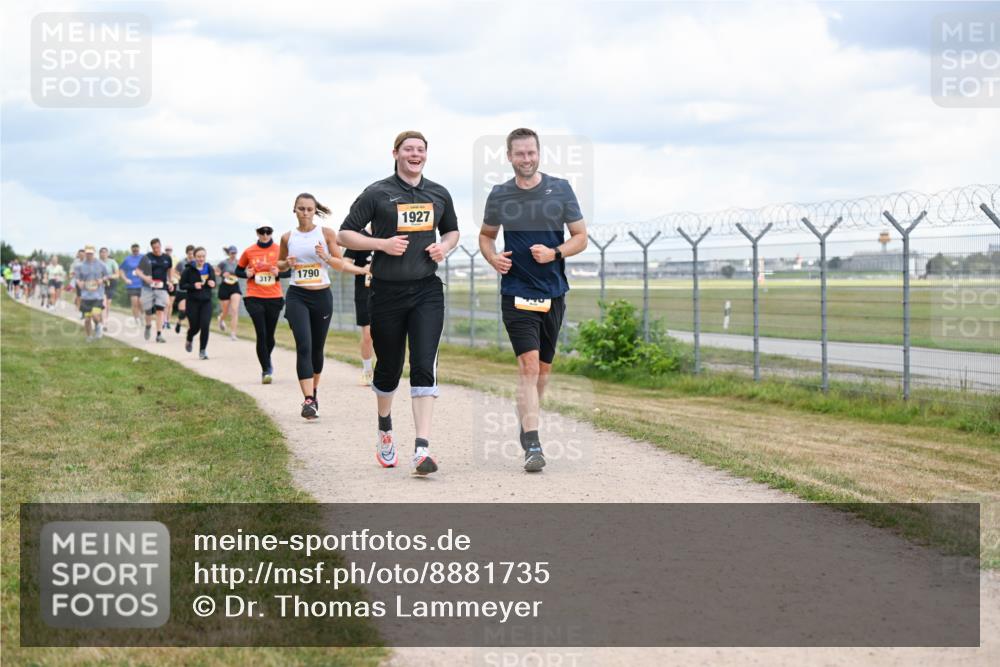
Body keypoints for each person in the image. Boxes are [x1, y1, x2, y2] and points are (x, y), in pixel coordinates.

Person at [340, 130, 460, 475]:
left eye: (420, 149)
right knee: (389, 367)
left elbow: (452, 231)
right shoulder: (377, 192)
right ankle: (385, 428)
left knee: (423, 364)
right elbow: (345, 234)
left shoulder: (438, 193)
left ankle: (422, 449)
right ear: (395, 153)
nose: (415, 154)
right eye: (408, 149)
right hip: (387, 292)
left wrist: (444, 247)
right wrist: (381, 244)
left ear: (426, 155)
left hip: (426, 291)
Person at [479, 128, 588, 472]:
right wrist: (493, 258)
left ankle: (527, 422)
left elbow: (581, 237)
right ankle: (534, 444)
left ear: (539, 154)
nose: (526, 159)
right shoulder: (500, 194)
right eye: (520, 154)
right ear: (509, 157)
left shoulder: (561, 189)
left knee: (542, 372)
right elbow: (486, 236)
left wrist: (554, 253)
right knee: (528, 366)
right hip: (516, 291)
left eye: (531, 153)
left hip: (553, 292)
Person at [278, 193, 363, 419]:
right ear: (294, 210)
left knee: (317, 349)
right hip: (297, 295)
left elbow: (340, 264)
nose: (305, 213)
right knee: (304, 346)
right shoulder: (287, 237)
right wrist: (286, 263)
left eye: (309, 209)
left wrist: (325, 256)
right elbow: (279, 264)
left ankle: (313, 393)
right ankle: (307, 400)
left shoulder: (326, 234)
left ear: (315, 211)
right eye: (301, 208)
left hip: (321, 296)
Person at [236, 225, 288, 384]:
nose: (265, 235)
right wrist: (246, 274)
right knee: (261, 334)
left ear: (272, 233)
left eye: (268, 232)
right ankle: (266, 370)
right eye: (262, 232)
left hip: (274, 297)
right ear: (257, 233)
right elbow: (238, 271)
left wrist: (278, 273)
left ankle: (266, 358)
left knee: (270, 336)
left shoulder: (280, 250)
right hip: (254, 297)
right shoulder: (249, 251)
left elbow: (289, 271)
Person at [343, 229, 375, 385]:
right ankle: (367, 370)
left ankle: (385, 371)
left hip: (389, 292)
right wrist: (362, 270)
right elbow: (345, 264)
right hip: (365, 292)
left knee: (387, 334)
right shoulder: (358, 237)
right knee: (368, 334)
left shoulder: (390, 232)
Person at [179, 247, 217, 359]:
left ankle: (202, 351)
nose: (201, 259)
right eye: (199, 256)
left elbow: (213, 281)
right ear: (194, 257)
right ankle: (189, 337)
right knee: (195, 327)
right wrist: (193, 286)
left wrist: (212, 283)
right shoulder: (188, 269)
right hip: (192, 302)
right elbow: (182, 285)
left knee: (205, 326)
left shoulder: (209, 267)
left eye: (203, 256)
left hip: (206, 302)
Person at [134, 238, 173, 343]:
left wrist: (170, 282)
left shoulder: (167, 258)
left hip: (161, 287)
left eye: (158, 247)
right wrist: (145, 278)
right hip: (148, 287)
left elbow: (170, 270)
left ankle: (159, 335)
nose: (156, 249)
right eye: (154, 248)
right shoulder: (147, 257)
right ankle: (148, 326)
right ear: (152, 248)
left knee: (160, 310)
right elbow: (137, 271)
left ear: (161, 246)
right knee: (149, 311)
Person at [74, 246, 110, 341]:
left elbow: (107, 276)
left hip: (98, 295)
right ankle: (89, 337)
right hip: (86, 296)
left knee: (95, 315)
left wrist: (102, 280)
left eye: (91, 253)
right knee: (87, 319)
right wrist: (79, 283)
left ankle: (98, 325)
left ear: (94, 253)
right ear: (85, 253)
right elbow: (77, 278)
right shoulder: (79, 266)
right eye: (87, 253)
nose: (89, 255)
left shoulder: (101, 264)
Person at [217, 245, 243, 340]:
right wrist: (222, 274)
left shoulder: (239, 262)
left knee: (234, 310)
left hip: (235, 286)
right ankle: (221, 319)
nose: (233, 255)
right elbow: (216, 271)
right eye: (232, 253)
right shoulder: (223, 263)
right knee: (225, 311)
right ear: (228, 253)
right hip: (224, 287)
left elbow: (243, 272)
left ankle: (233, 333)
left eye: (235, 253)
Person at [171, 245, 195, 334]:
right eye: (189, 254)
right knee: (183, 311)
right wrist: (181, 278)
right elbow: (174, 272)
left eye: (193, 253)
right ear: (186, 253)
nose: (191, 255)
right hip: (182, 290)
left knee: (191, 311)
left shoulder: (196, 263)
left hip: (192, 290)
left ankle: (190, 330)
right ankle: (179, 322)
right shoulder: (181, 263)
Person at [120, 243, 145, 323]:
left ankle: (142, 316)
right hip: (132, 284)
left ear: (139, 249)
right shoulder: (127, 259)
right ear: (131, 250)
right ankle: (136, 319)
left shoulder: (143, 257)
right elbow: (121, 270)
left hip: (142, 284)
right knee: (134, 302)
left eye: (137, 250)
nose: (135, 251)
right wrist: (125, 279)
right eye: (134, 250)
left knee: (141, 302)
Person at [98, 247, 119, 312]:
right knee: (102, 301)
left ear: (107, 253)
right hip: (100, 283)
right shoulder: (96, 262)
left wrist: (108, 277)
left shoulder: (112, 262)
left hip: (111, 283)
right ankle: (101, 315)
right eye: (102, 252)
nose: (103, 254)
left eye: (105, 252)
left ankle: (106, 316)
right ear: (99, 254)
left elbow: (117, 275)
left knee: (108, 302)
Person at [69, 249, 85, 316]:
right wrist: (71, 274)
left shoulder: (87, 261)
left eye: (82, 254)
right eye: (80, 254)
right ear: (78, 255)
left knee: (83, 296)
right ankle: (78, 308)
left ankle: (81, 309)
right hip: (77, 280)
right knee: (79, 295)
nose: (81, 256)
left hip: (85, 280)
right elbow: (72, 269)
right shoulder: (76, 261)